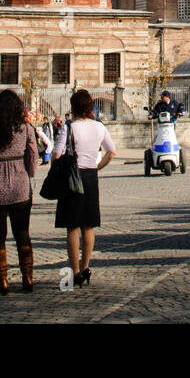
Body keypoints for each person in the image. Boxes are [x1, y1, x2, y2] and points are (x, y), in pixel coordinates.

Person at [0, 89, 38, 294]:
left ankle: (2, 281)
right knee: (23, 234)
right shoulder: (26, 129)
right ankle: (27, 278)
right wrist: (28, 173)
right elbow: (33, 156)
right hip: (20, 187)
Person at [52, 89, 116, 287]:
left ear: (74, 107)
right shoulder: (99, 127)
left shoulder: (69, 128)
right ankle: (85, 266)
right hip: (90, 176)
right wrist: (98, 166)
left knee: (72, 226)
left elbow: (56, 154)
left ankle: (74, 271)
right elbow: (112, 152)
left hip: (73, 176)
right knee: (88, 225)